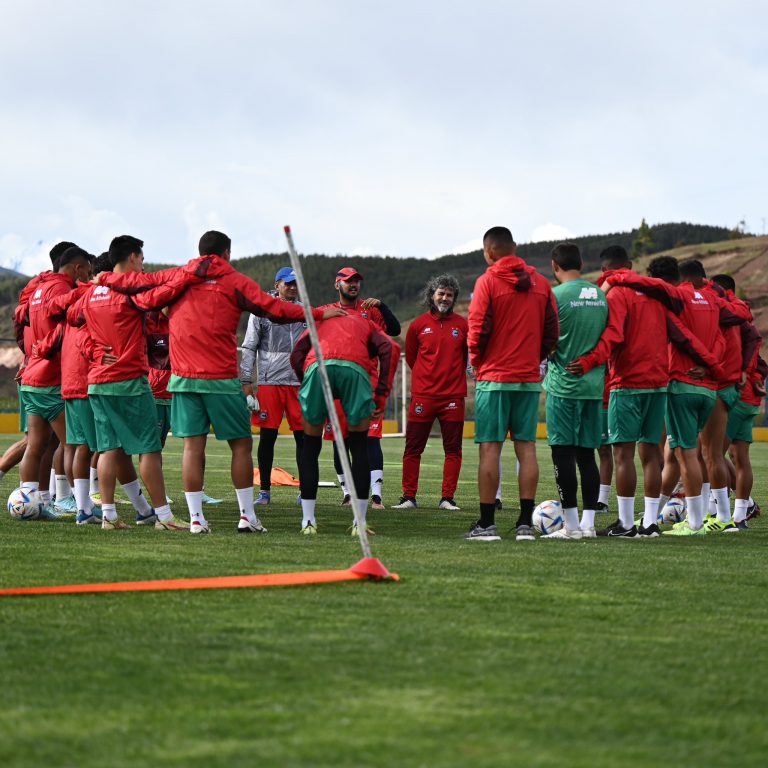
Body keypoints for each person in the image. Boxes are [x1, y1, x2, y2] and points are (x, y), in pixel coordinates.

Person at [101, 230, 345, 534]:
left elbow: (144, 292)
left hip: (183, 379)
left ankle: (195, 520)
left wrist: (104, 280)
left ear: (200, 252)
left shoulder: (181, 276)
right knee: (241, 445)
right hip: (220, 378)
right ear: (227, 253)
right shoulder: (234, 281)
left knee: (192, 447)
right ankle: (247, 517)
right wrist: (318, 313)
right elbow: (276, 310)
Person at [601, 256, 750, 535]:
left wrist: (615, 278)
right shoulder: (712, 299)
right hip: (709, 388)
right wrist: (714, 365)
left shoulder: (673, 297)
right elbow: (742, 319)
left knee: (680, 455)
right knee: (704, 454)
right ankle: (712, 516)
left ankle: (691, 523)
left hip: (676, 384)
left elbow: (678, 333)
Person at [466, 226, 559, 541]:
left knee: (490, 448)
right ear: (514, 247)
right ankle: (524, 523)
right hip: (528, 377)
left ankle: (487, 523)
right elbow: (552, 331)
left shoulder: (487, 281)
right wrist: (536, 358)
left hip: (494, 377)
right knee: (527, 448)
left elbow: (476, 329)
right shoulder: (543, 283)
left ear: (489, 252)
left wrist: (477, 362)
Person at [290, 312, 394, 535]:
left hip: (318, 368)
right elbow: (389, 348)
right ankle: (359, 523)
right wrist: (382, 394)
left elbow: (297, 353)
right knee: (359, 446)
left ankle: (308, 521)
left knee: (310, 446)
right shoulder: (366, 322)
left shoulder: (323, 318)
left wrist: (306, 379)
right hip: (354, 371)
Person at [16, 246, 93, 517]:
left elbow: (22, 322)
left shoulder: (37, 288)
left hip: (31, 376)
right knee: (73, 444)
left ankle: (32, 502)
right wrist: (89, 289)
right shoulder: (60, 290)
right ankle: (82, 505)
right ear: (77, 268)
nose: (88, 276)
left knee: (37, 445)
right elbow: (61, 316)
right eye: (87, 271)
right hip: (52, 378)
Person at [541, 243, 608, 540]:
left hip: (563, 387)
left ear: (555, 266)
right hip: (593, 388)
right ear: (580, 263)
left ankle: (571, 526)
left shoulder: (555, 296)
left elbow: (543, 339)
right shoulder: (602, 296)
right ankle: (589, 524)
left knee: (562, 454)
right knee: (587, 456)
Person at [323, 266, 400, 508]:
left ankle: (375, 495)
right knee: (340, 440)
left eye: (356, 281)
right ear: (338, 284)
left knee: (371, 439)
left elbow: (395, 330)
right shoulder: (327, 311)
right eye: (348, 281)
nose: (353, 285)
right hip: (336, 387)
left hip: (367, 384)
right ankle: (347, 493)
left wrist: (383, 306)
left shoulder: (370, 311)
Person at [392, 274, 468, 510]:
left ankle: (447, 498)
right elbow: (413, 358)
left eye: (449, 295)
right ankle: (409, 497)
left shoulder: (463, 325)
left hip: (453, 397)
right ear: (432, 295)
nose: (445, 298)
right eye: (441, 294)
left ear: (454, 298)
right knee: (413, 448)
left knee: (453, 450)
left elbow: (466, 358)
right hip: (423, 396)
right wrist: (428, 380)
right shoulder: (417, 325)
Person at [240, 266, 306, 505]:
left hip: (299, 383)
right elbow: (248, 347)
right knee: (268, 437)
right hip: (270, 383)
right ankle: (265, 492)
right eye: (287, 283)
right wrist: (247, 381)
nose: (292, 287)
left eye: (295, 283)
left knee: (304, 438)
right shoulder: (261, 312)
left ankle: (305, 492)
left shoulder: (304, 312)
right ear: (277, 284)